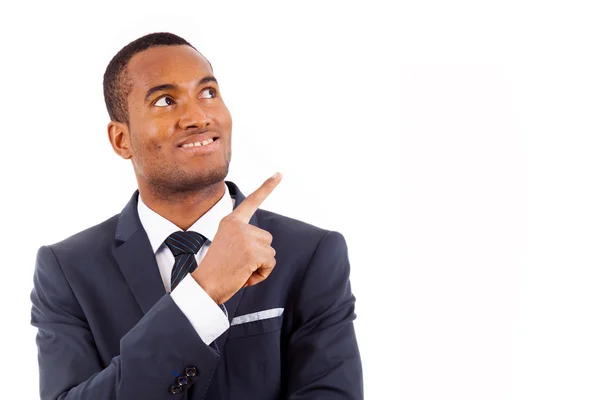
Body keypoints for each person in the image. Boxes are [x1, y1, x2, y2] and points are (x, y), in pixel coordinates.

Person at [30, 32, 363, 399]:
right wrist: (202, 295)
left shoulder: (311, 253)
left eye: (208, 93)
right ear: (121, 140)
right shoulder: (67, 269)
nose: (198, 116)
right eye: (166, 100)